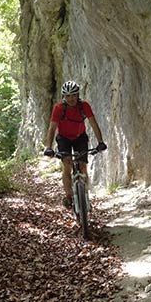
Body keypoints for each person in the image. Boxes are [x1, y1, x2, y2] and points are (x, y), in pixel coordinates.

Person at [44, 80, 107, 208]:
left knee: (82, 165)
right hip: (64, 138)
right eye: (67, 96)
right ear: (63, 97)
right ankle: (68, 196)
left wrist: (100, 142)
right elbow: (52, 128)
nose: (71, 98)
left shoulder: (84, 106)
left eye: (73, 95)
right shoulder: (59, 108)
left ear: (78, 95)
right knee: (67, 163)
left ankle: (84, 194)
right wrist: (48, 147)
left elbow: (93, 123)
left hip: (80, 138)